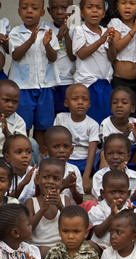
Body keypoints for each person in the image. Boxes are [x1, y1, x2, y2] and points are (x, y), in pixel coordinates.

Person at [9, 0, 60, 153]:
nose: (29, 11)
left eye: (34, 8)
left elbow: (53, 57)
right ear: (19, 12)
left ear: (42, 12)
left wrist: (47, 44)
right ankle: (23, 155)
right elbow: (16, 55)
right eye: (24, 8)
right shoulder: (16, 32)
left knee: (42, 125)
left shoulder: (48, 33)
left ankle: (38, 157)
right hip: (23, 87)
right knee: (23, 125)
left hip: (44, 86)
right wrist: (31, 40)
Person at [72, 0, 116, 125]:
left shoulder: (105, 30)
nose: (94, 10)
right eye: (90, 7)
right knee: (90, 120)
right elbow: (81, 53)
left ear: (103, 13)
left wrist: (111, 42)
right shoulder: (80, 30)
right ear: (81, 13)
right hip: (87, 84)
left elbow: (112, 57)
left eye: (98, 8)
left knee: (106, 120)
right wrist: (100, 41)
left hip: (105, 83)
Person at [98, 86, 136, 175]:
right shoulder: (106, 123)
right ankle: (105, 178)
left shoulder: (135, 122)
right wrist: (124, 136)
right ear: (111, 108)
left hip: (132, 159)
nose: (119, 105)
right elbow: (107, 147)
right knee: (103, 152)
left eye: (124, 102)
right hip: (114, 159)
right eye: (115, 102)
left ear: (132, 108)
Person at [53, 83, 100, 194]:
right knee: (46, 161)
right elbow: (54, 141)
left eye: (84, 99)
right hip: (65, 158)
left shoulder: (93, 124)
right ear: (66, 103)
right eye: (75, 99)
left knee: (101, 155)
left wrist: (86, 176)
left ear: (89, 104)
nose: (80, 102)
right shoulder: (61, 118)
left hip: (84, 161)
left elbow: (92, 150)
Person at [108, 0, 136, 122]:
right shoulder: (116, 23)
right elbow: (116, 47)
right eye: (123, 3)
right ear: (117, 6)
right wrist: (134, 30)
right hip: (120, 81)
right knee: (120, 116)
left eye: (132, 3)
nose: (127, 7)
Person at [25, 157, 70, 259]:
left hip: (61, 248)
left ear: (62, 182)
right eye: (46, 177)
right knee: (45, 251)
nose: (51, 182)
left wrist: (60, 206)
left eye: (56, 179)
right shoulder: (31, 202)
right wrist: (43, 209)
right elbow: (28, 229)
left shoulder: (64, 200)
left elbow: (71, 224)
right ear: (37, 178)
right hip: (38, 248)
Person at [89, 169, 136, 253]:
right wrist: (112, 216)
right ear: (103, 193)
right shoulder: (98, 209)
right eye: (112, 192)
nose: (117, 196)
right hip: (102, 247)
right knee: (89, 245)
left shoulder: (132, 209)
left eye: (121, 192)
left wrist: (133, 216)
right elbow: (98, 233)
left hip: (125, 249)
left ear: (128, 194)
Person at [92, 133, 136, 202]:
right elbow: (104, 199)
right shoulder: (99, 176)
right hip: (106, 210)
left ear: (128, 156)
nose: (115, 157)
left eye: (120, 153)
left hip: (128, 211)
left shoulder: (135, 176)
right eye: (110, 153)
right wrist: (117, 174)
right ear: (105, 156)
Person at [42, 0, 76, 115]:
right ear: (48, 11)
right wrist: (58, 37)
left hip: (67, 82)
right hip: (49, 82)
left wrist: (66, 36)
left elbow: (72, 57)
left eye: (64, 8)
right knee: (49, 118)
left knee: (65, 117)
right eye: (55, 8)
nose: (59, 12)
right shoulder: (45, 27)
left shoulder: (76, 30)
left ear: (72, 10)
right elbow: (44, 52)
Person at [0, 79, 39, 166]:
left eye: (15, 102)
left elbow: (19, 144)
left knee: (31, 143)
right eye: (6, 100)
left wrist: (6, 132)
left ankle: (32, 173)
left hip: (10, 158)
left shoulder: (18, 121)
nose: (10, 105)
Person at [43, 126, 84, 205]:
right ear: (46, 150)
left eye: (66, 147)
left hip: (69, 212)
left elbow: (80, 201)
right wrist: (63, 186)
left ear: (71, 150)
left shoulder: (73, 170)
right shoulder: (42, 170)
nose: (62, 151)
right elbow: (42, 198)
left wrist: (73, 190)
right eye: (56, 147)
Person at [3, 134, 36, 204]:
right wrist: (23, 183)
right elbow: (6, 202)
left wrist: (38, 185)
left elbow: (38, 201)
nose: (25, 156)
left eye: (28, 152)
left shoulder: (35, 173)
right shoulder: (3, 174)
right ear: (7, 157)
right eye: (19, 152)